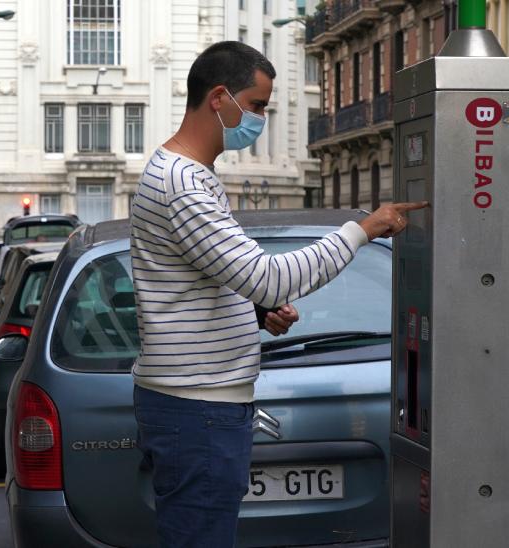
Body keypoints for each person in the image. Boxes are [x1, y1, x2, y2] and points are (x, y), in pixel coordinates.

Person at [130, 40, 427, 548]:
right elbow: (270, 276)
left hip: (199, 403)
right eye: (258, 105)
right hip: (198, 407)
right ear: (219, 98)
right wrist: (363, 229)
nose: (261, 119)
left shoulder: (189, 175)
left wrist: (255, 307)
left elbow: (209, 276)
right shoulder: (181, 182)